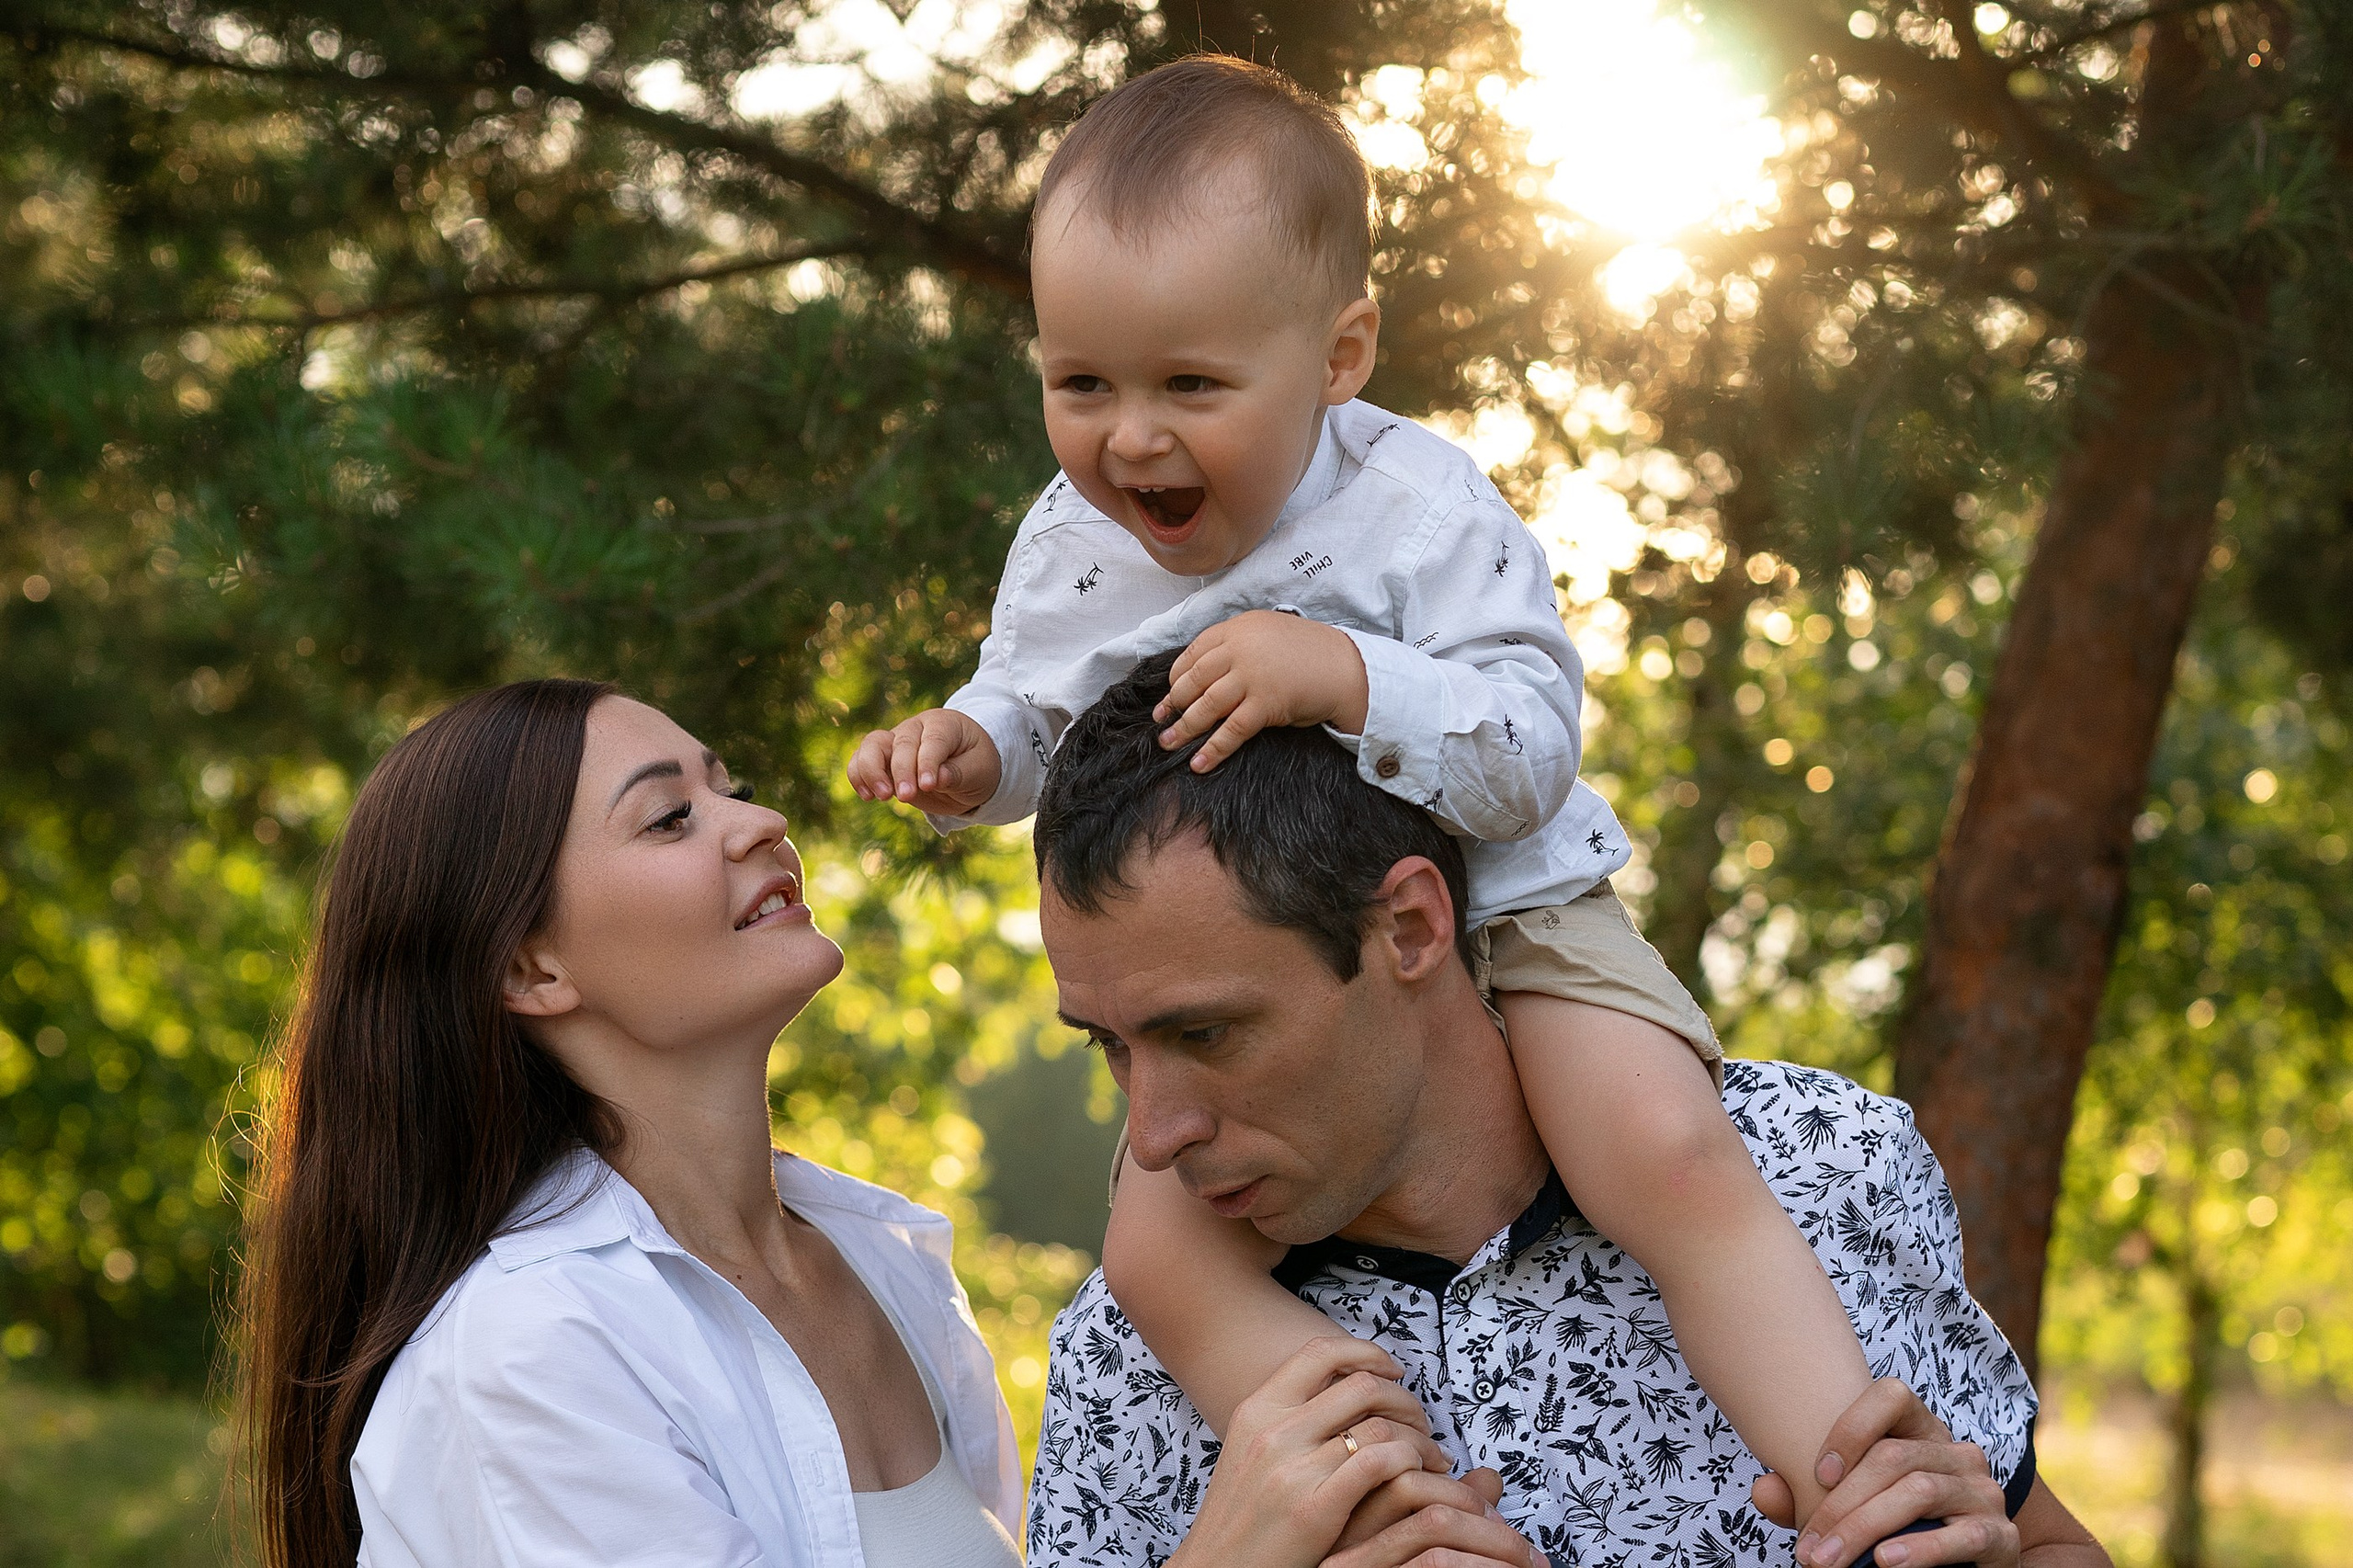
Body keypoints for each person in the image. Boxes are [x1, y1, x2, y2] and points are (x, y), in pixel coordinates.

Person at [847, 52, 1875, 1525]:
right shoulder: (1071, 535)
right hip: (1264, 921)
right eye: (1083, 384)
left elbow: (1528, 749)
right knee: (1152, 1257)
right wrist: (970, 750)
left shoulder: (1421, 507)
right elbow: (1035, 700)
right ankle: (1387, 1497)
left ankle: (1852, 1474)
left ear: (1338, 358)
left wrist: (1348, 674)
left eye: (1191, 385)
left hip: (1511, 898)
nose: (1131, 438)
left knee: (1659, 1150)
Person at [1021, 653, 2110, 1568]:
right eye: (1109, 1045)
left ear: (1408, 925)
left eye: (1204, 1033)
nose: (1154, 1134)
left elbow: (2055, 1541)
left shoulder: (1822, 1168)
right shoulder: (1126, 1353)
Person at [236, 679, 1028, 1568]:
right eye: (669, 818)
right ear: (532, 970)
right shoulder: (527, 1354)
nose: (760, 821)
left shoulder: (886, 1256)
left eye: (728, 787)